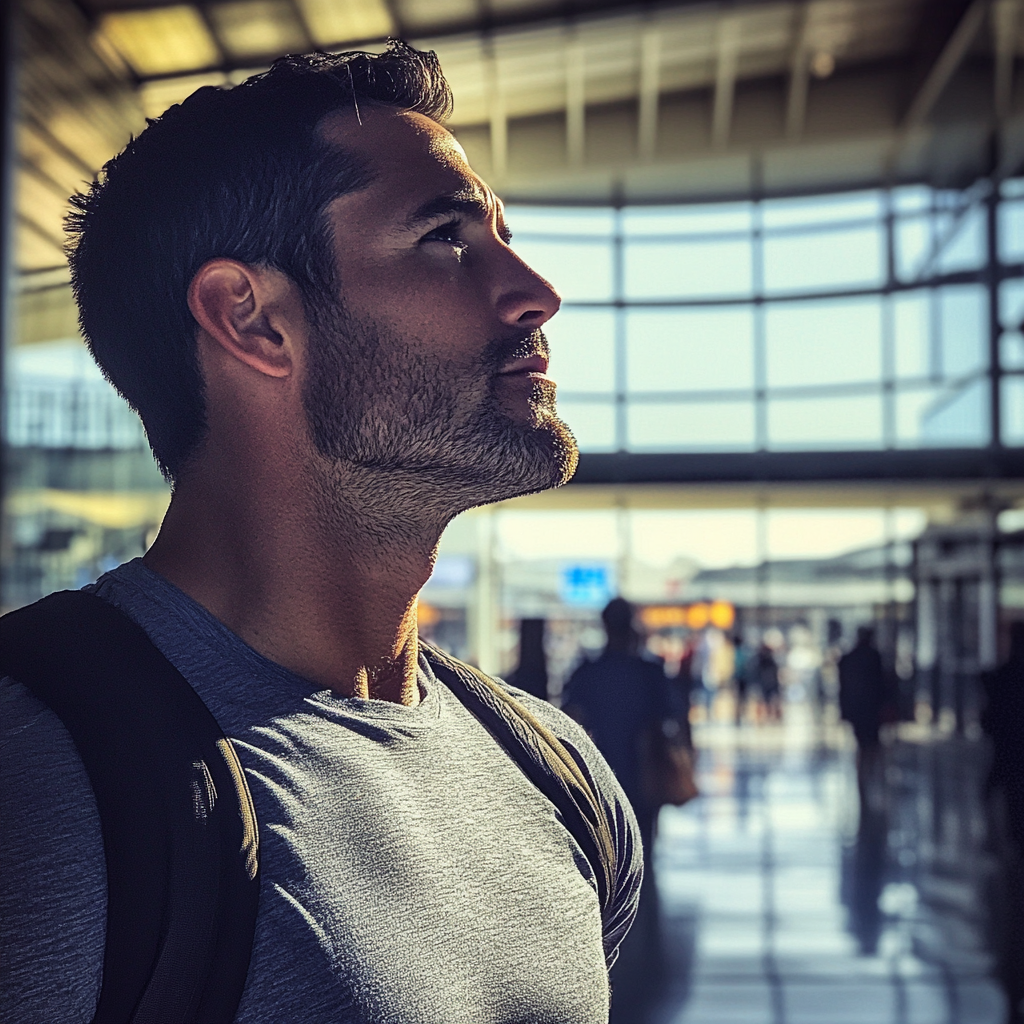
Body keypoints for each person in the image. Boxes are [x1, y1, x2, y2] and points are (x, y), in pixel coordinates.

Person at [0, 44, 642, 1023]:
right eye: (446, 236)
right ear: (251, 321)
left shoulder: (556, 772)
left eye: (503, 235)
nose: (533, 292)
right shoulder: (41, 792)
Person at [562, 598, 674, 1022]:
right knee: (645, 835)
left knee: (603, 842)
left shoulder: (589, 672)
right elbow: (671, 717)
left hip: (599, 776)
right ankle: (640, 889)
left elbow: (565, 718)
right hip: (642, 770)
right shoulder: (649, 671)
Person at [838, 626, 887, 803]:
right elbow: (882, 685)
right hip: (871, 707)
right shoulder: (874, 657)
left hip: (856, 708)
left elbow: (842, 688)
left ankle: (863, 772)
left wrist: (844, 711)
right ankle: (869, 770)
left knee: (863, 741)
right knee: (872, 742)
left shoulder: (848, 659)